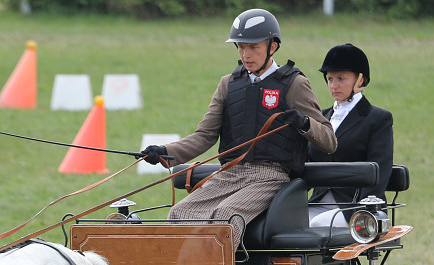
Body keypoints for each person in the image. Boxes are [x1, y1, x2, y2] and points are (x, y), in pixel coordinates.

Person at [141, 8, 336, 249]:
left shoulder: (294, 83)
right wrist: (164, 151)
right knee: (180, 212)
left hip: (270, 177)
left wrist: (305, 124)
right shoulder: (228, 84)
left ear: (272, 47)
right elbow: (204, 136)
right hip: (229, 174)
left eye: (253, 47)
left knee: (226, 216)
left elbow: (329, 140)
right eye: (241, 47)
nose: (246, 54)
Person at [308, 43, 393, 228]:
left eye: (341, 78)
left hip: (356, 206)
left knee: (316, 224)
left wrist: (364, 210)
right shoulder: (321, 117)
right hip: (319, 200)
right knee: (284, 223)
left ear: (360, 80)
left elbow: (380, 168)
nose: (334, 85)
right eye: (330, 79)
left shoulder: (377, 119)